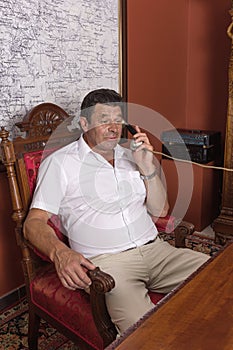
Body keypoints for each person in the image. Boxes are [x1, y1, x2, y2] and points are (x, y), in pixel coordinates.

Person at [24, 88, 209, 335]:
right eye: (104, 120)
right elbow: (33, 223)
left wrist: (148, 167)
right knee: (145, 334)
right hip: (108, 266)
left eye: (118, 120)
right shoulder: (60, 163)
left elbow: (160, 210)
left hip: (157, 250)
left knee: (219, 279)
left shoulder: (131, 155)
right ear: (84, 123)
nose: (113, 127)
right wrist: (60, 253)